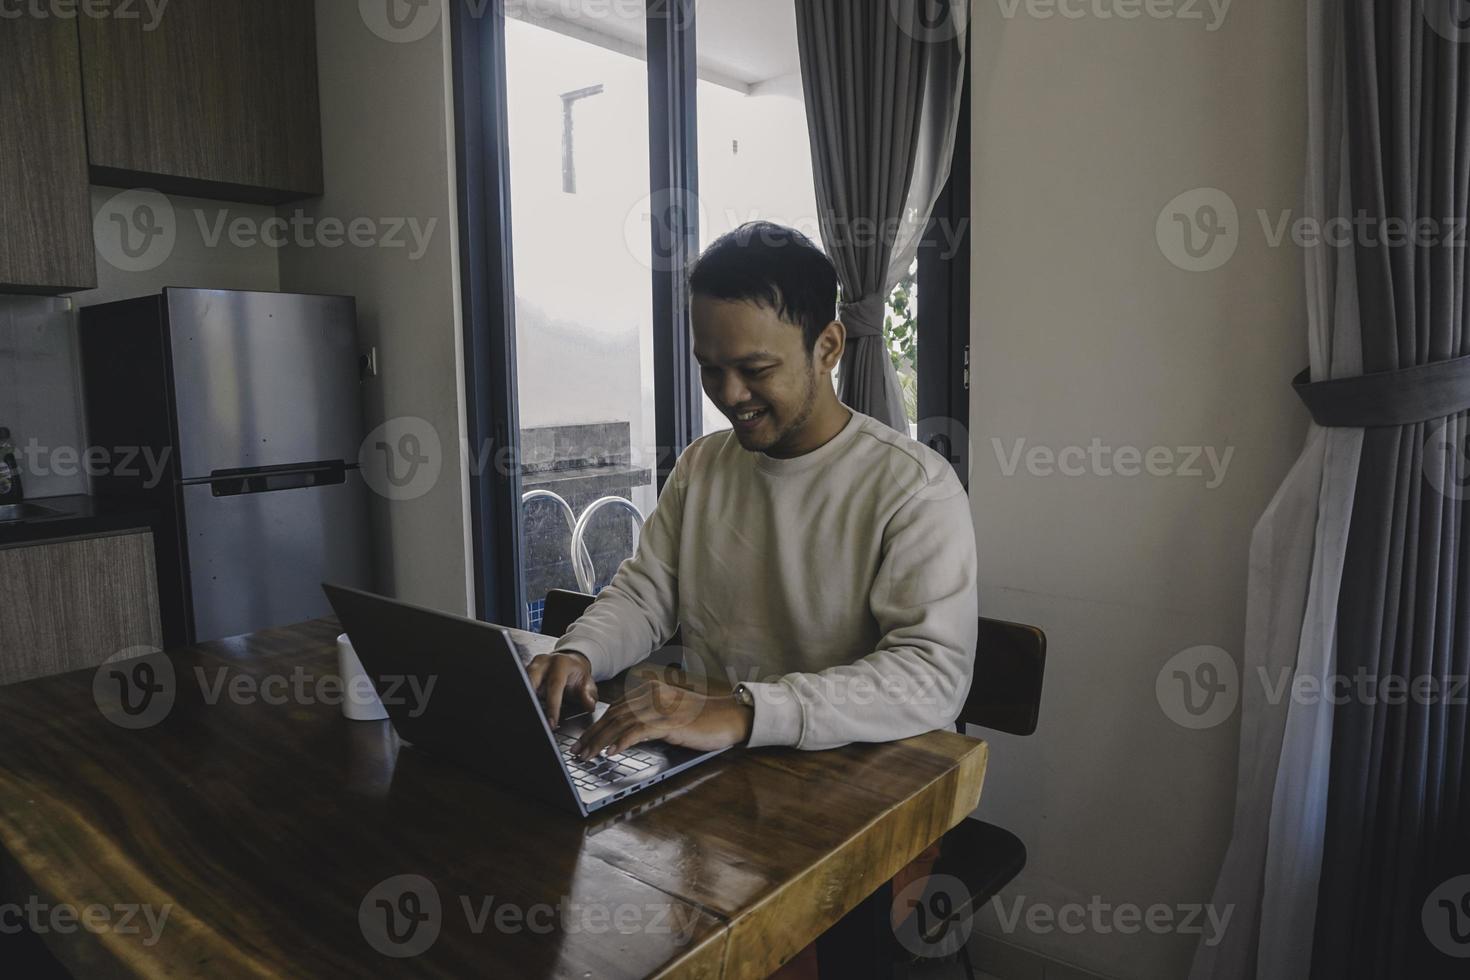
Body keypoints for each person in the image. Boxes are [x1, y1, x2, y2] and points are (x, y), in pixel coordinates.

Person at [526, 221, 978, 974]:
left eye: (755, 368)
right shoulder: (705, 467)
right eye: (710, 368)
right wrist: (580, 650)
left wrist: (745, 711)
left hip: (860, 798)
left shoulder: (912, 488)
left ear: (828, 347)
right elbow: (645, 592)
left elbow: (930, 677)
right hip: (717, 782)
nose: (729, 396)